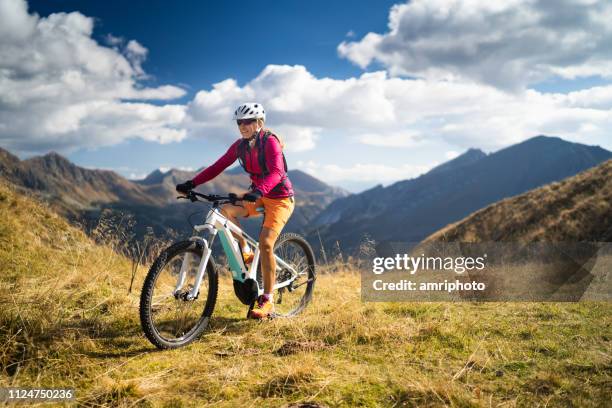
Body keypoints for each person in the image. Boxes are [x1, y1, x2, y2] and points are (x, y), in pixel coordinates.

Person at [176, 102, 295, 319]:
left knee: (266, 244)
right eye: (240, 122)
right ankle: (246, 251)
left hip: (279, 199)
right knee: (224, 212)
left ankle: (267, 300)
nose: (243, 126)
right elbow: (217, 167)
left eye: (248, 121)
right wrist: (192, 183)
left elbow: (277, 172)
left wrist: (259, 190)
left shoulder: (270, 142)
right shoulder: (239, 146)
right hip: (258, 194)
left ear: (259, 123)